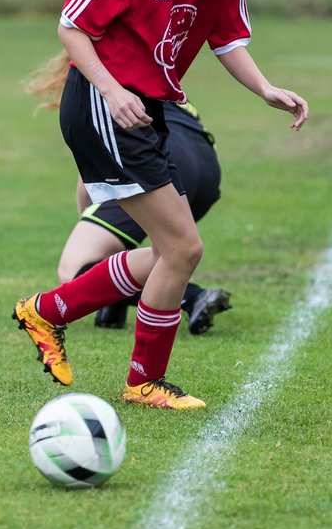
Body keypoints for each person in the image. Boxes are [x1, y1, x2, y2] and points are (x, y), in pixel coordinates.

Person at [12, 0, 308, 410]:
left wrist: (266, 89)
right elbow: (72, 28)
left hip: (146, 109)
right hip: (103, 103)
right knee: (183, 248)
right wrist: (113, 89)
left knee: (175, 250)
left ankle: (47, 313)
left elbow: (227, 39)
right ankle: (137, 377)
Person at [28, 52, 233, 335]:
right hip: (206, 169)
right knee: (171, 248)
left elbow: (94, 172)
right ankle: (117, 309)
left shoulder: (103, 89)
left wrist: (87, 219)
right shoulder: (152, 77)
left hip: (156, 161)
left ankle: (193, 297)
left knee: (75, 266)